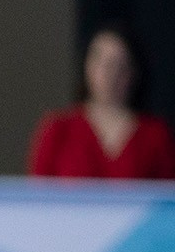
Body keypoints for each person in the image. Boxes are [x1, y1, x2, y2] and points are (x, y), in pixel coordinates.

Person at [28, 24, 175, 179]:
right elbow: (39, 196)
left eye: (119, 64)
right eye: (99, 60)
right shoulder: (58, 129)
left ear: (134, 71)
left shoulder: (155, 135)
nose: (109, 73)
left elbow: (167, 194)